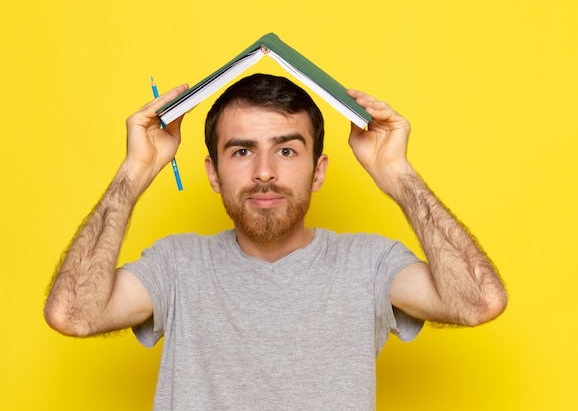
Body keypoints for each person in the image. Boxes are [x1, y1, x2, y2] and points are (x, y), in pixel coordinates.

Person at [44, 74, 507, 410]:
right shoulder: (177, 266)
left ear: (318, 169)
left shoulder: (367, 264)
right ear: (212, 172)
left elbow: (480, 300)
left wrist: (398, 174)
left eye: (286, 150)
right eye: (242, 151)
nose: (264, 171)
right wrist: (135, 172)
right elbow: (72, 313)